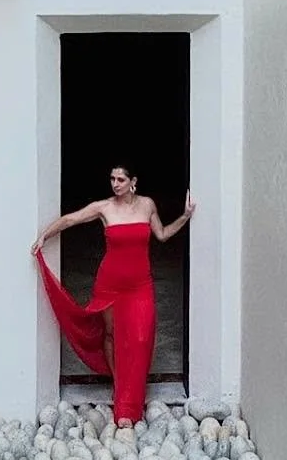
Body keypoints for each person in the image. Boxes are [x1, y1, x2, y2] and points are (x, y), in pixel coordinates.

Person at [32, 164, 196, 425]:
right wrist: (44, 236)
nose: (115, 183)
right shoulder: (104, 207)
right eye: (112, 178)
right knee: (111, 334)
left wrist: (185, 216)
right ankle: (120, 387)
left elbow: (162, 235)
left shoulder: (147, 205)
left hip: (141, 284)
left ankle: (132, 390)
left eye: (121, 179)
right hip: (110, 283)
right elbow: (71, 219)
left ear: (133, 181)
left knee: (142, 337)